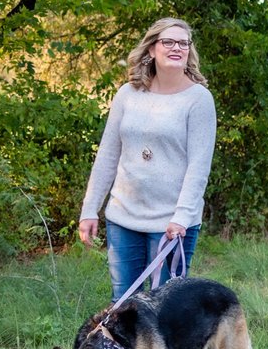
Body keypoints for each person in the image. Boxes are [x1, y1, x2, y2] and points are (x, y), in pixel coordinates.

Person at [79, 17, 217, 301]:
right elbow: (107, 154)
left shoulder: (199, 99)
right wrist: (90, 208)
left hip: (171, 224)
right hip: (123, 217)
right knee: (123, 306)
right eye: (168, 42)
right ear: (152, 49)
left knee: (164, 310)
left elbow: (198, 167)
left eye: (183, 43)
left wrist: (181, 217)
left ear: (190, 51)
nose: (176, 47)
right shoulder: (128, 94)